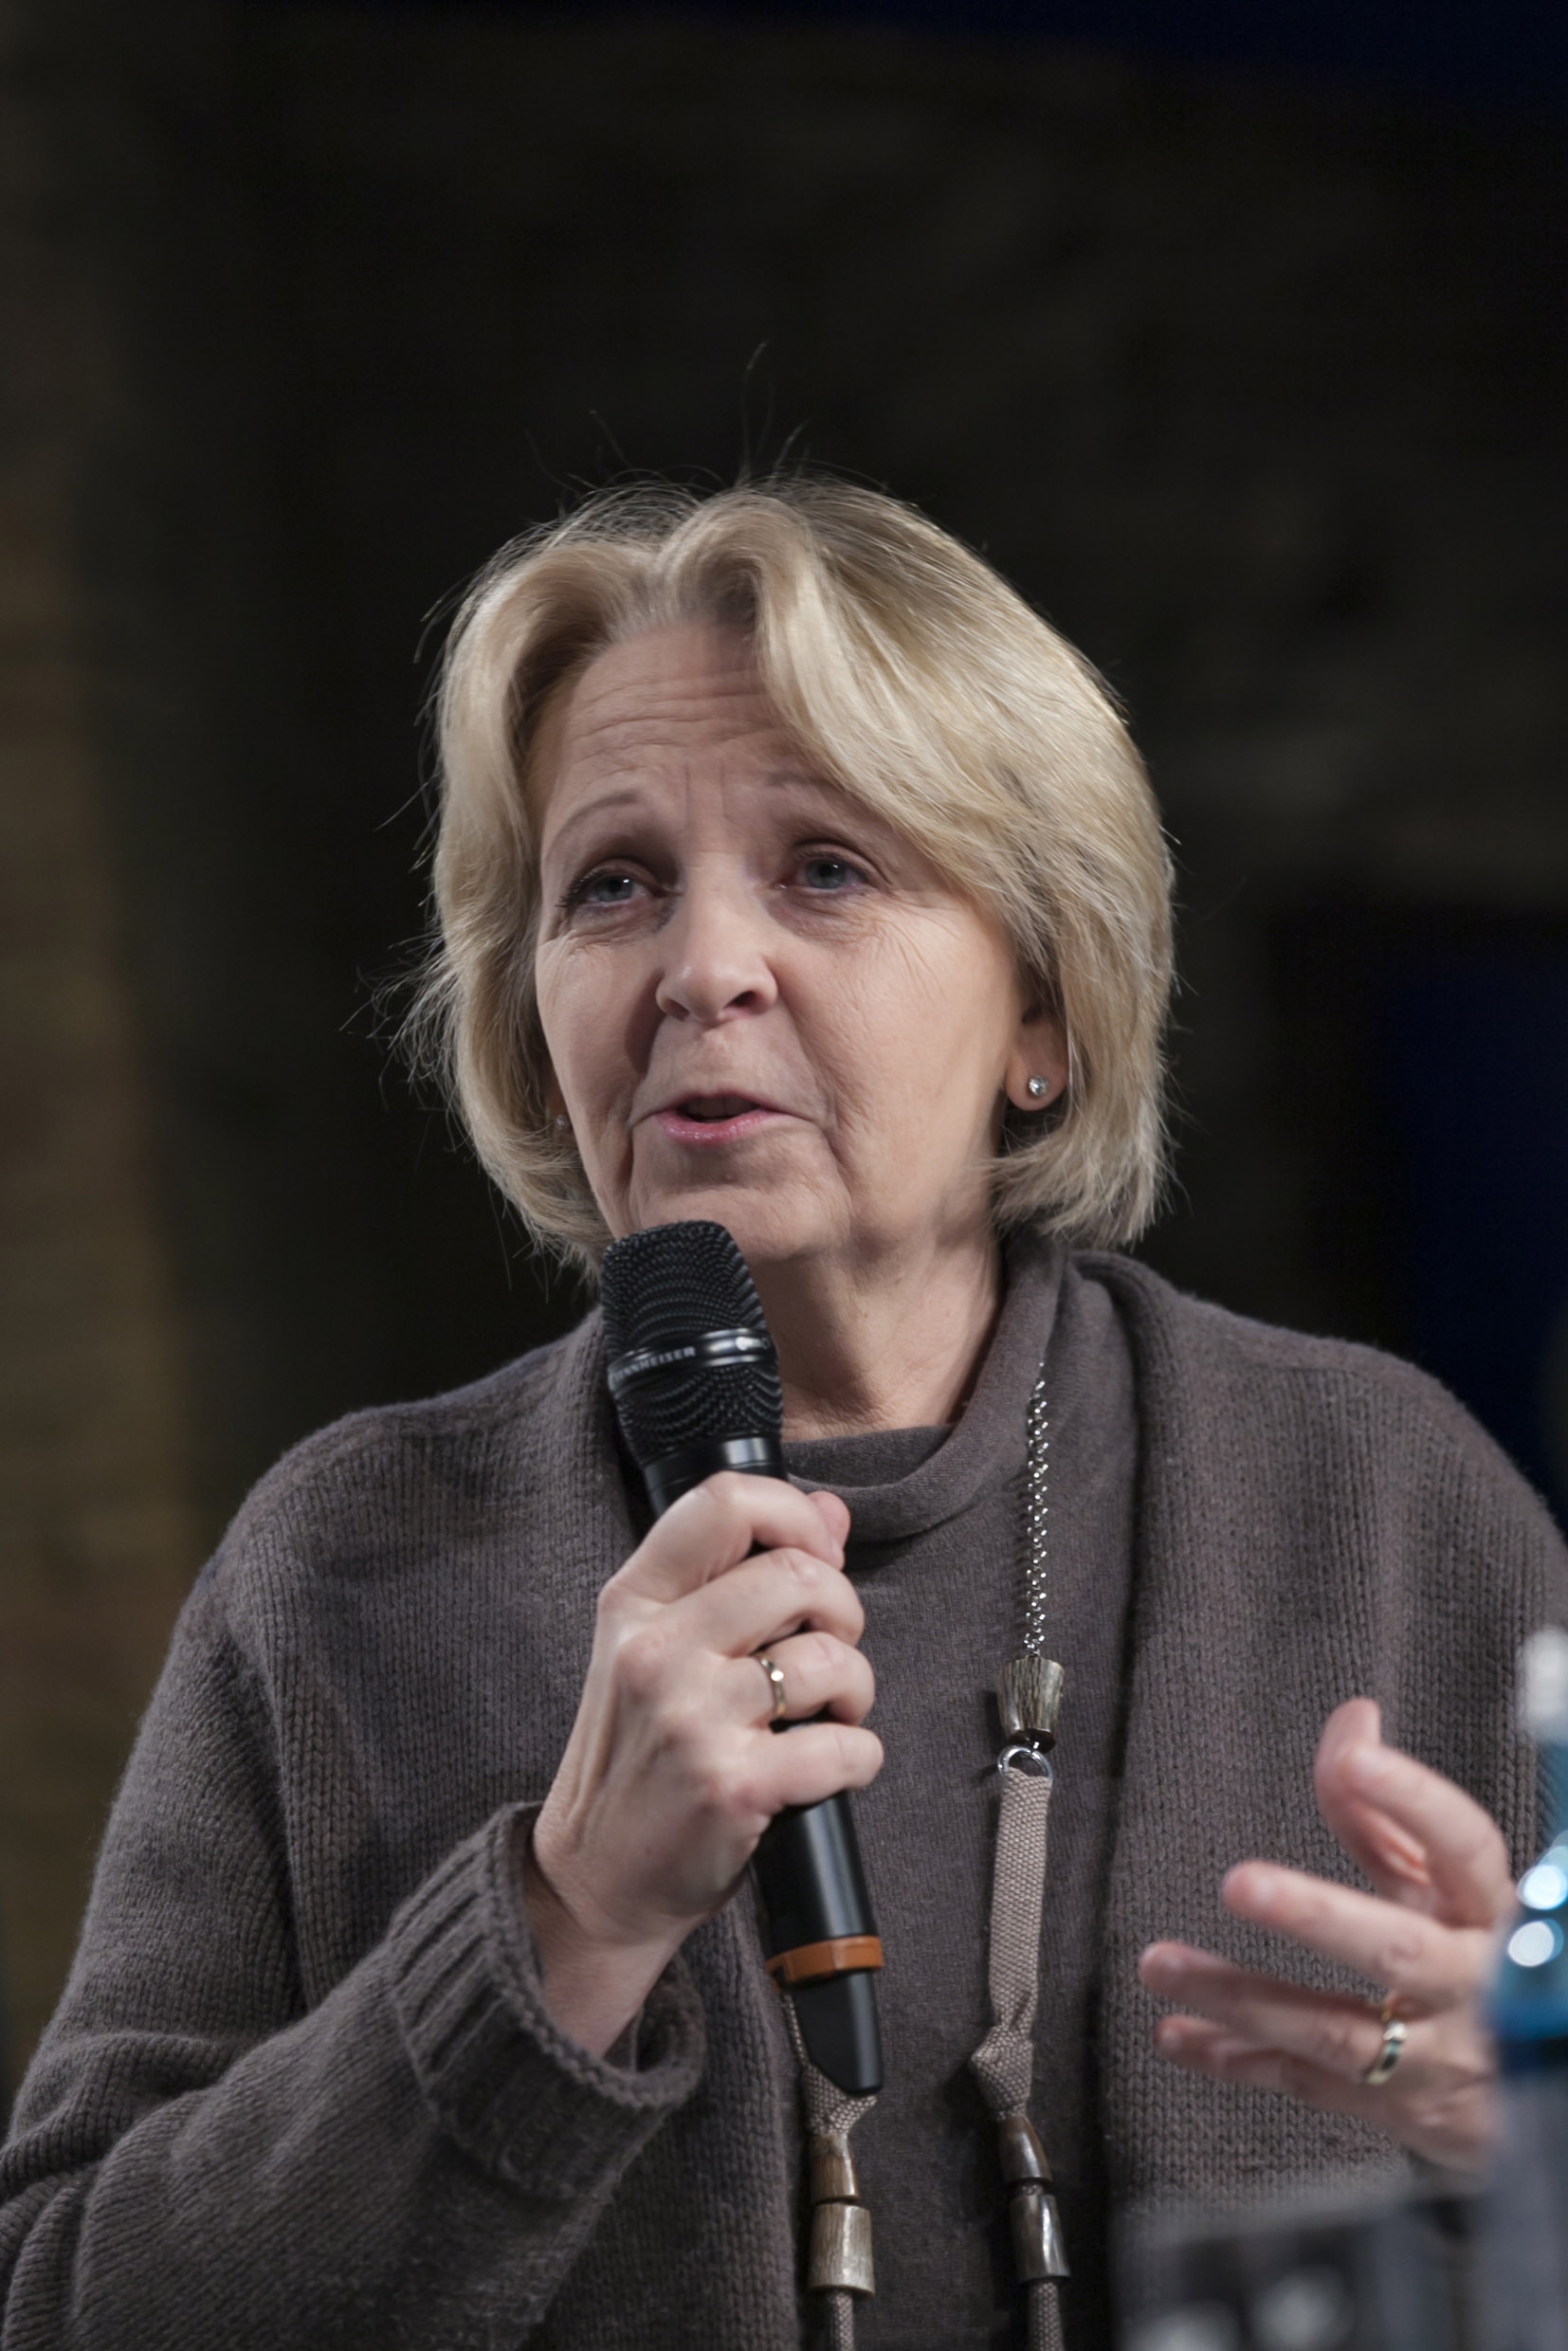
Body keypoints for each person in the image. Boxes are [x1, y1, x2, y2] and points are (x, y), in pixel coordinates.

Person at [1, 479, 1562, 2351]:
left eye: (825, 868)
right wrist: (559, 1925)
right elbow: (69, 2305)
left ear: (1041, 1010)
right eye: (612, 886)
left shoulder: (1381, 1496)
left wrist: (1527, 2141)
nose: (700, 968)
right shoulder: (351, 1561)